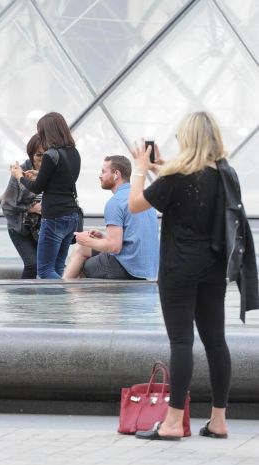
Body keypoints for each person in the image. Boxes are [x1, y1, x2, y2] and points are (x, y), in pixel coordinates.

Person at [128, 112, 259, 440]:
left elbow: (135, 204)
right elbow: (195, 188)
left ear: (188, 138)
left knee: (182, 341)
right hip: (214, 268)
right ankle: (219, 420)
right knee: (216, 341)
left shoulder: (177, 177)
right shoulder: (227, 174)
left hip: (179, 269)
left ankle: (172, 423)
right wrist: (161, 169)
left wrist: (140, 170)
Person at [63, 155, 158, 280]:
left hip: (127, 267)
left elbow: (114, 247)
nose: (100, 176)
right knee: (83, 249)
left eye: (103, 171)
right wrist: (103, 238)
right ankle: (64, 288)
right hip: (147, 268)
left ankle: (63, 294)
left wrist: (86, 240)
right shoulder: (142, 198)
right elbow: (132, 237)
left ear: (116, 174)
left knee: (84, 264)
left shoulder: (115, 202)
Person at [10, 112, 80, 279]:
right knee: (57, 266)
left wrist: (18, 176)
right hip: (72, 216)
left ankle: (69, 294)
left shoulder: (51, 155)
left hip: (54, 216)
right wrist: (39, 174)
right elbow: (64, 180)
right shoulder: (74, 153)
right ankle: (58, 305)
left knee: (45, 271)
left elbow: (36, 188)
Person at [1, 134, 43, 279]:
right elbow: (7, 205)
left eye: (47, 154)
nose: (42, 159)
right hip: (20, 227)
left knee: (47, 265)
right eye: (39, 155)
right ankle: (22, 299)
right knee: (32, 264)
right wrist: (31, 209)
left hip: (42, 227)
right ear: (31, 155)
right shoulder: (21, 171)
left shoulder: (51, 171)